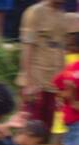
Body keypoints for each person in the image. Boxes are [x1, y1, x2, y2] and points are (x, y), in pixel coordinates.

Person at [19, 0, 68, 129]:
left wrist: (61, 87)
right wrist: (27, 82)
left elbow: (62, 50)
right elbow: (27, 48)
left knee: (46, 130)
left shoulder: (62, 14)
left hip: (53, 84)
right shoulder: (34, 12)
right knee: (30, 132)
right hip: (36, 83)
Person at [55, 15, 79, 145]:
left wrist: (63, 96)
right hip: (72, 113)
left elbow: (58, 84)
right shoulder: (72, 64)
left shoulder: (68, 62)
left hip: (67, 113)